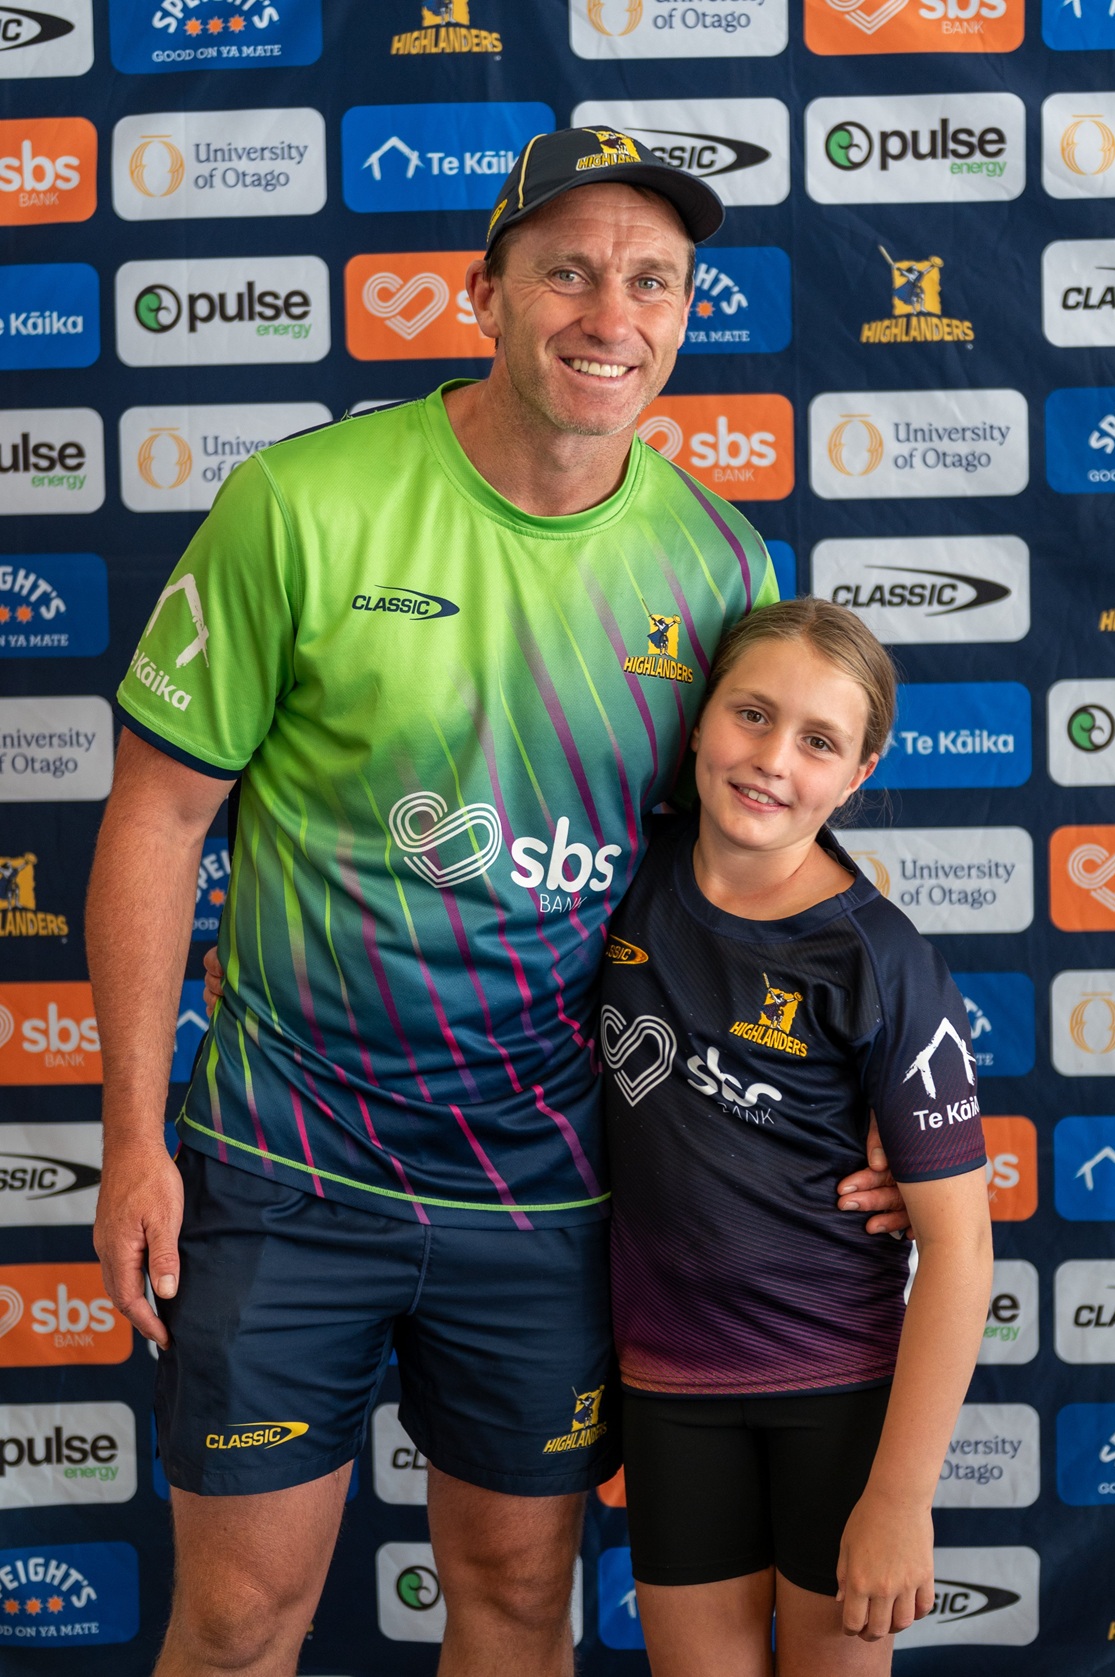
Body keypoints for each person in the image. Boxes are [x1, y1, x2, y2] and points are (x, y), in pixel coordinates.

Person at [87, 129, 908, 1677]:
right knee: (243, 1612)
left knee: (522, 1603)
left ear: (684, 314)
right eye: (569, 272)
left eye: (652, 280)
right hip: (283, 1168)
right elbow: (157, 816)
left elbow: (762, 866)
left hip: (550, 1184)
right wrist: (135, 1132)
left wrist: (867, 1087)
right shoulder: (303, 505)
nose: (612, 313)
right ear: (484, 293)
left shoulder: (716, 562)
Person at [601, 598, 994, 1677]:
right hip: (669, 1398)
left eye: (817, 741)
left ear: (856, 775)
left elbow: (959, 1248)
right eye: (752, 715)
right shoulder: (616, 887)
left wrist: (900, 1497)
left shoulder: (878, 957)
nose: (772, 760)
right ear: (697, 722)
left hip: (836, 1395)